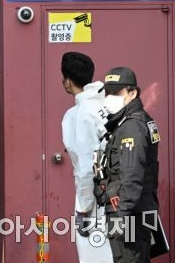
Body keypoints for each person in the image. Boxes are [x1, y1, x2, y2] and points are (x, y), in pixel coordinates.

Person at [94, 67, 159, 263]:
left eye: (116, 92)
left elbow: (132, 175)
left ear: (133, 93)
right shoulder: (131, 121)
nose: (110, 97)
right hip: (134, 211)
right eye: (108, 93)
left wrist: (122, 216)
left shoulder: (132, 126)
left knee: (129, 259)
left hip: (129, 214)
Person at [60, 52, 113, 263]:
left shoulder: (79, 114)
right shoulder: (107, 105)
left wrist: (83, 209)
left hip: (96, 198)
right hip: (120, 193)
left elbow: (86, 168)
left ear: (67, 81)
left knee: (96, 255)